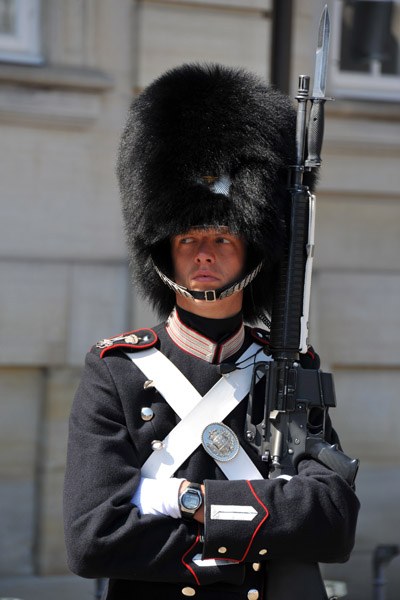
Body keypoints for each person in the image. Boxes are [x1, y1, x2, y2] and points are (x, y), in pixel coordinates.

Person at [63, 64, 359, 600]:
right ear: (162, 252)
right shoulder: (116, 373)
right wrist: (253, 535)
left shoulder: (291, 365)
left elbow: (333, 521)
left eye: (223, 238)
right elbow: (93, 538)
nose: (203, 253)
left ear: (251, 249)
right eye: (187, 239)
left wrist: (184, 501)